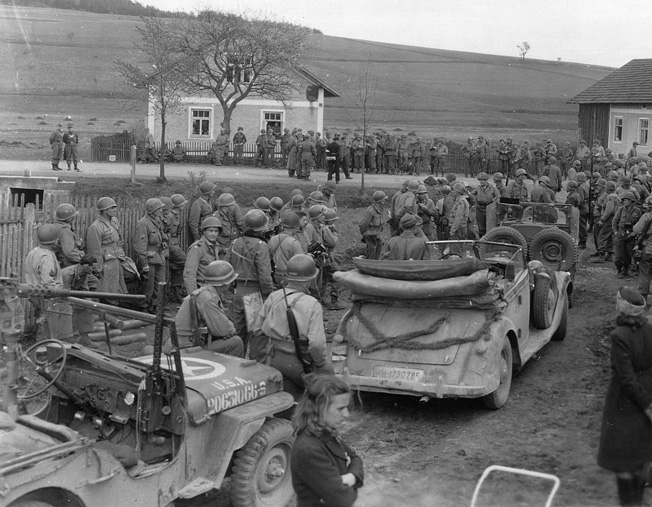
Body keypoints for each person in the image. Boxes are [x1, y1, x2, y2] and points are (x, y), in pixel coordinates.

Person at [597, 287, 652, 507]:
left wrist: (645, 405)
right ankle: (637, 502)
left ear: (621, 307)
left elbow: (626, 377)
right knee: (639, 459)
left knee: (622, 463)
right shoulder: (650, 330)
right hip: (647, 394)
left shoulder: (619, 336)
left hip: (624, 403)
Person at [261, 254, 333, 398]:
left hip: (276, 359)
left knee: (288, 403)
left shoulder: (274, 297)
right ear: (310, 279)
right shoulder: (312, 304)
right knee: (328, 392)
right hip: (301, 362)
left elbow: (257, 329)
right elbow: (317, 345)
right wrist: (320, 364)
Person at [291, 375, 364, 507]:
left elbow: (355, 457)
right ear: (320, 408)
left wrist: (350, 477)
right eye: (341, 408)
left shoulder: (326, 432)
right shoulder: (308, 449)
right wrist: (354, 476)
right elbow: (343, 500)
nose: (346, 414)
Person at [226, 209, 275, 361]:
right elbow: (265, 274)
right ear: (262, 226)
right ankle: (256, 365)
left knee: (238, 332)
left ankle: (235, 363)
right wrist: (269, 293)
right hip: (254, 293)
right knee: (257, 334)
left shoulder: (235, 242)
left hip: (237, 291)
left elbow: (227, 266)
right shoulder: (261, 245)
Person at [174, 260, 244, 357]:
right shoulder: (209, 298)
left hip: (183, 343)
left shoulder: (206, 292)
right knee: (236, 342)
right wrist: (231, 329)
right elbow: (223, 330)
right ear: (225, 283)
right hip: (187, 348)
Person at [24, 224, 73, 341]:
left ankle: (46, 349)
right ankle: (45, 351)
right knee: (49, 328)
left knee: (45, 323)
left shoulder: (35, 252)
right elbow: (48, 282)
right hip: (48, 297)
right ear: (54, 241)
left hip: (36, 294)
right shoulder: (46, 257)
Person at [85, 196, 127, 296]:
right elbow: (94, 250)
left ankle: (116, 305)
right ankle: (107, 308)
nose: (115, 210)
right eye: (111, 208)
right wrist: (98, 268)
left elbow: (119, 238)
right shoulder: (96, 227)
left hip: (116, 257)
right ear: (104, 210)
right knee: (107, 287)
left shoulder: (114, 220)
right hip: (106, 261)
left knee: (118, 284)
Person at [134, 198, 165, 313]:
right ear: (152, 210)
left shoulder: (156, 221)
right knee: (148, 286)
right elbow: (140, 246)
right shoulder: (143, 223)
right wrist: (144, 263)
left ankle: (154, 306)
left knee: (159, 284)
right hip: (149, 259)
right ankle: (143, 307)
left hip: (158, 257)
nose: (161, 210)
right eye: (159, 208)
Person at [61, 254, 99, 348]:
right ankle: (73, 338)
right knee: (73, 309)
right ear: (86, 266)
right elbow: (64, 295)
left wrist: (90, 304)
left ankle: (84, 338)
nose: (94, 270)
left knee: (87, 307)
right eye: (92, 268)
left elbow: (84, 290)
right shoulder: (67, 274)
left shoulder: (83, 273)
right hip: (60, 298)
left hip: (70, 294)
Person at [183, 216, 222, 294]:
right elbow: (189, 275)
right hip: (201, 289)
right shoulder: (197, 248)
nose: (213, 234)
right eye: (211, 231)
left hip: (212, 289)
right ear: (204, 231)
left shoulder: (216, 246)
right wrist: (193, 296)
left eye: (216, 231)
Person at [613, 191, 642, 279]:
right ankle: (619, 269)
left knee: (628, 254)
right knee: (619, 254)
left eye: (625, 200)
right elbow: (615, 221)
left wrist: (636, 234)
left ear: (630, 201)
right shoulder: (621, 209)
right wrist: (615, 231)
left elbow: (640, 223)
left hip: (631, 235)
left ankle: (625, 269)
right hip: (621, 234)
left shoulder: (637, 211)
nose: (624, 202)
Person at [633, 196, 652, 300]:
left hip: (647, 250)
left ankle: (643, 298)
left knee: (644, 273)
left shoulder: (646, 216)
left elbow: (636, 230)